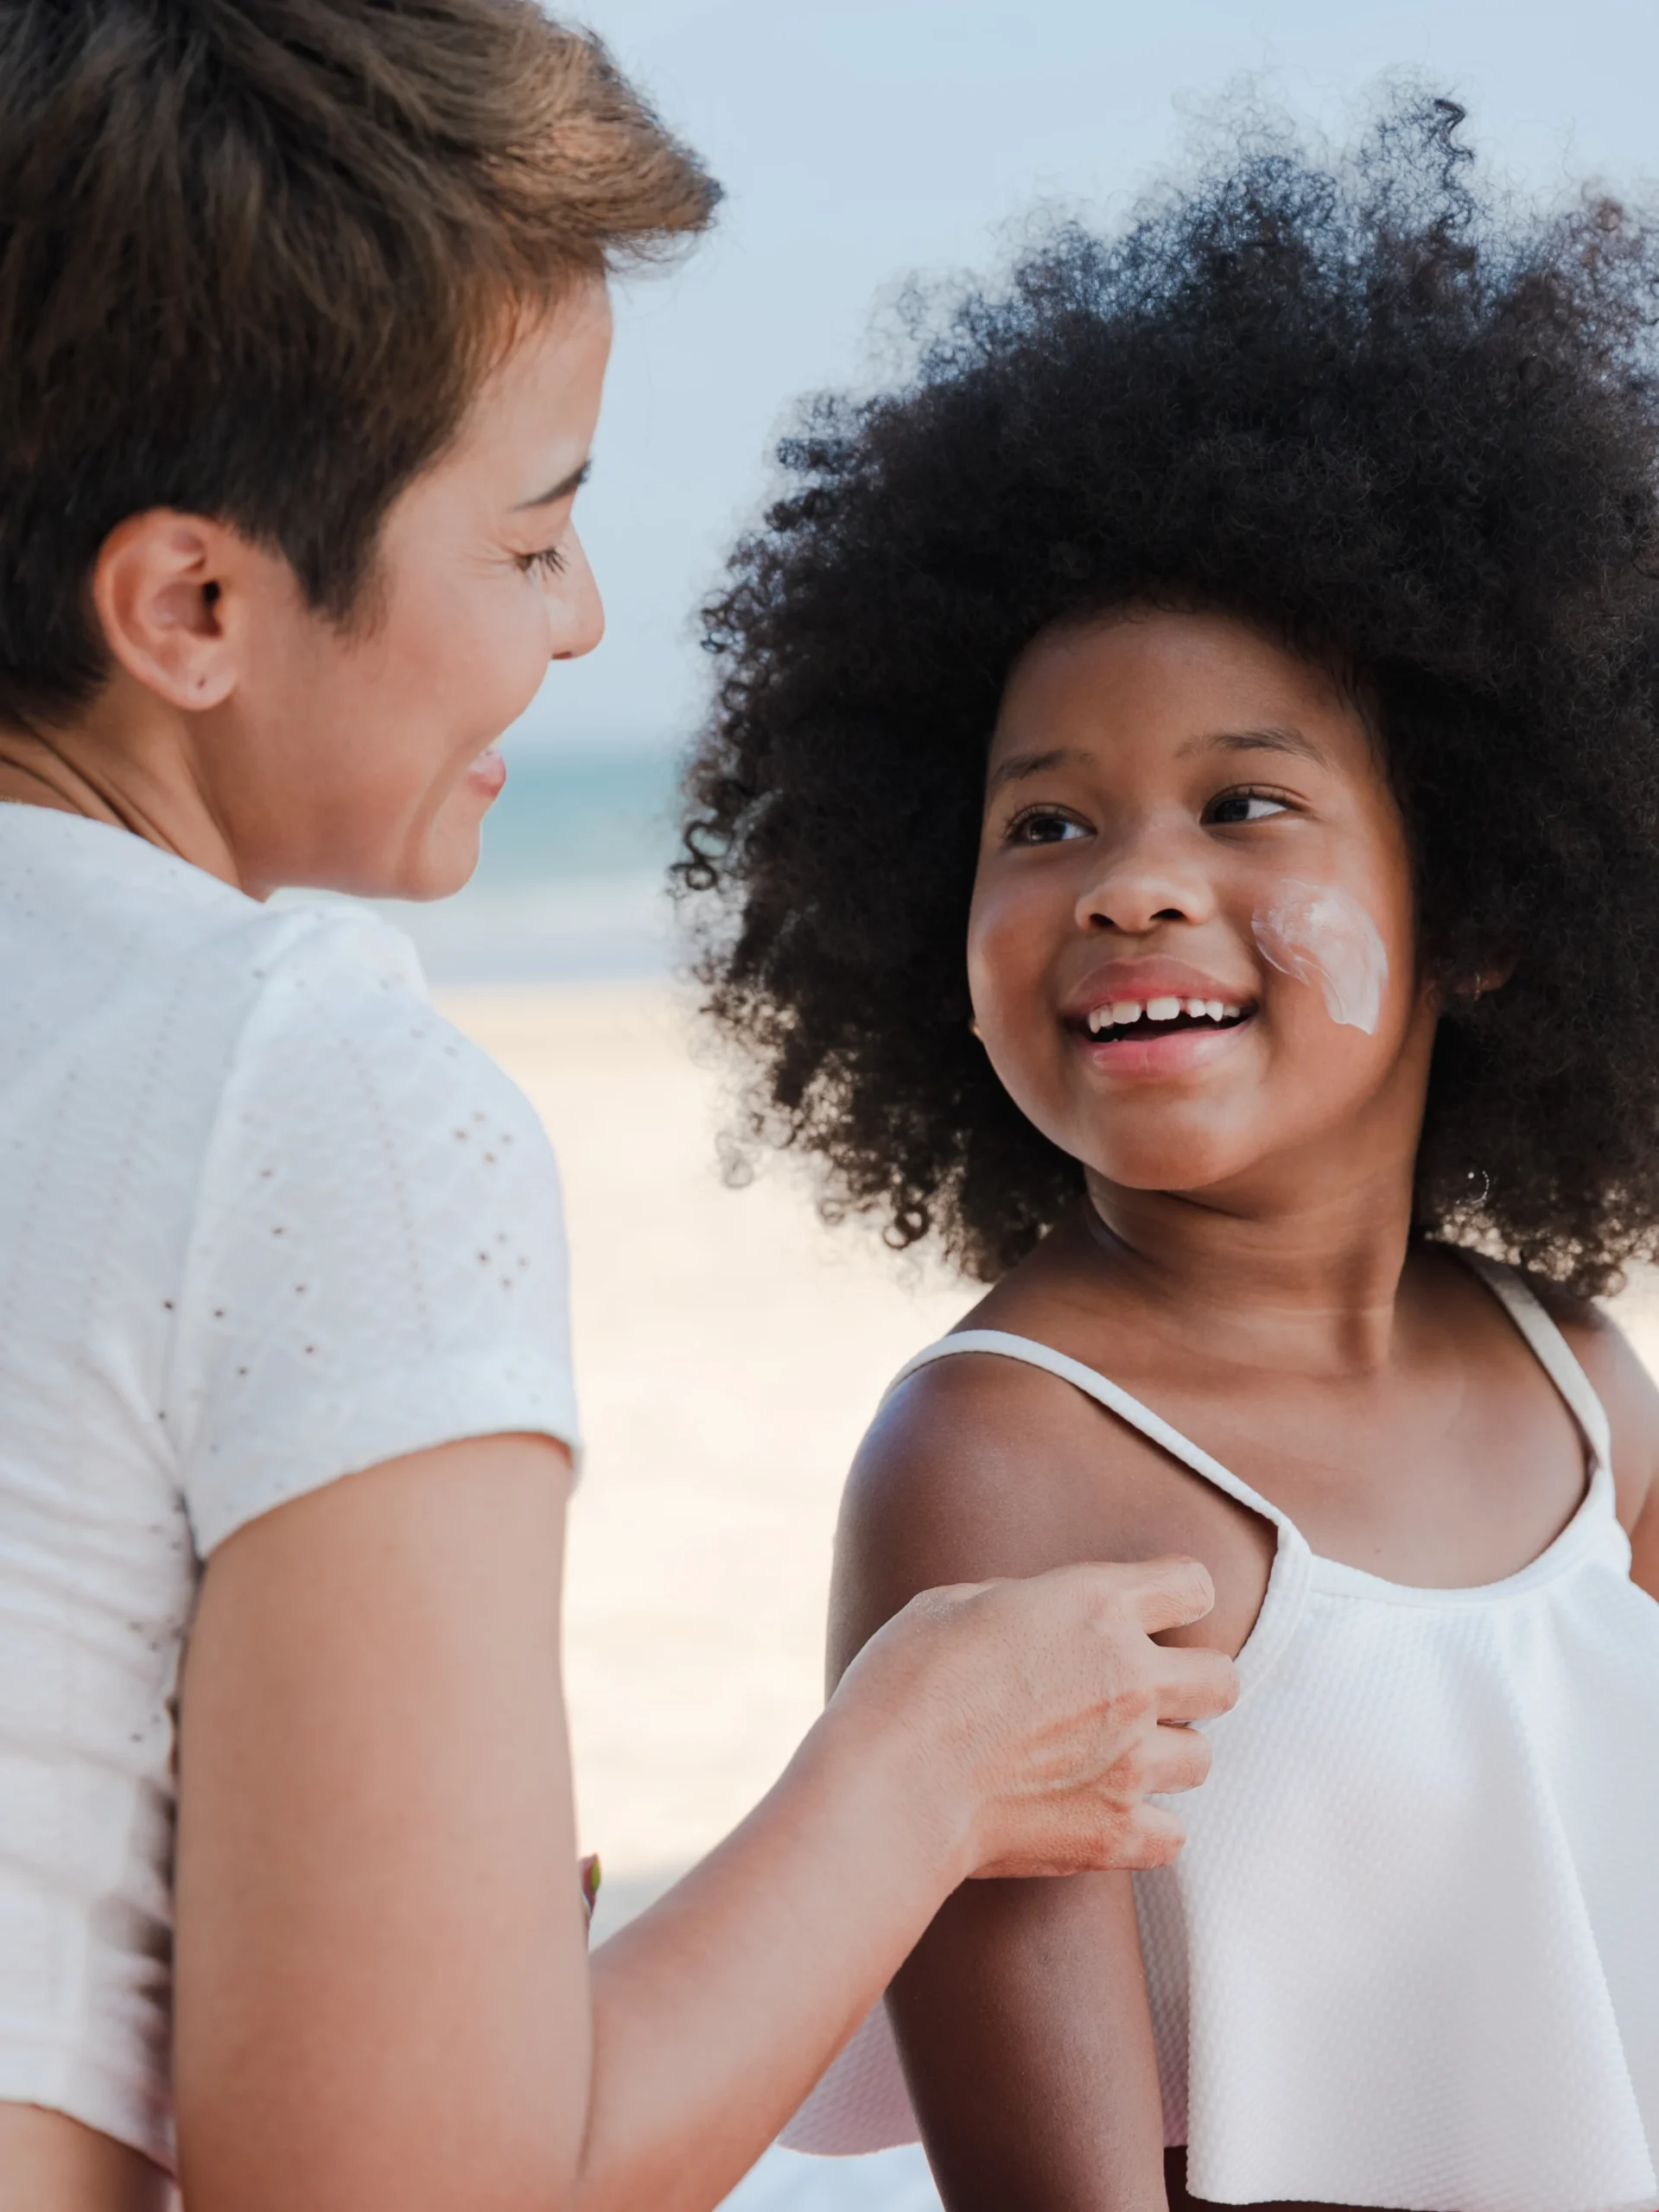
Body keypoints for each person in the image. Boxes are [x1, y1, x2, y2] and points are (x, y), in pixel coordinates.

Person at [0, 7, 1242, 2212]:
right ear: (192, 600)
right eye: (530, 534)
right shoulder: (303, 1086)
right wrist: (922, 1762)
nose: (583, 621)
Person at [679, 99, 1659, 2211]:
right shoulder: (1003, 1463)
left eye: (1242, 804)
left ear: (1485, 905)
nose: (1130, 885)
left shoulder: (1586, 1382)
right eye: (1045, 822)